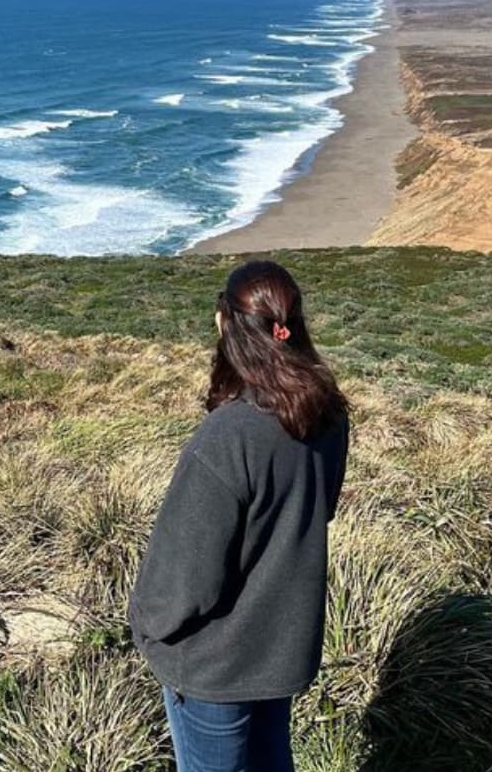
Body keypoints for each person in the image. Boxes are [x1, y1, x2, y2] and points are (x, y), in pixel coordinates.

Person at [127, 258, 350, 772]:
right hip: (283, 650)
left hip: (215, 668)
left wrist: (146, 627)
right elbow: (322, 510)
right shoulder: (327, 415)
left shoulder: (226, 439)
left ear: (226, 325)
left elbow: (186, 577)